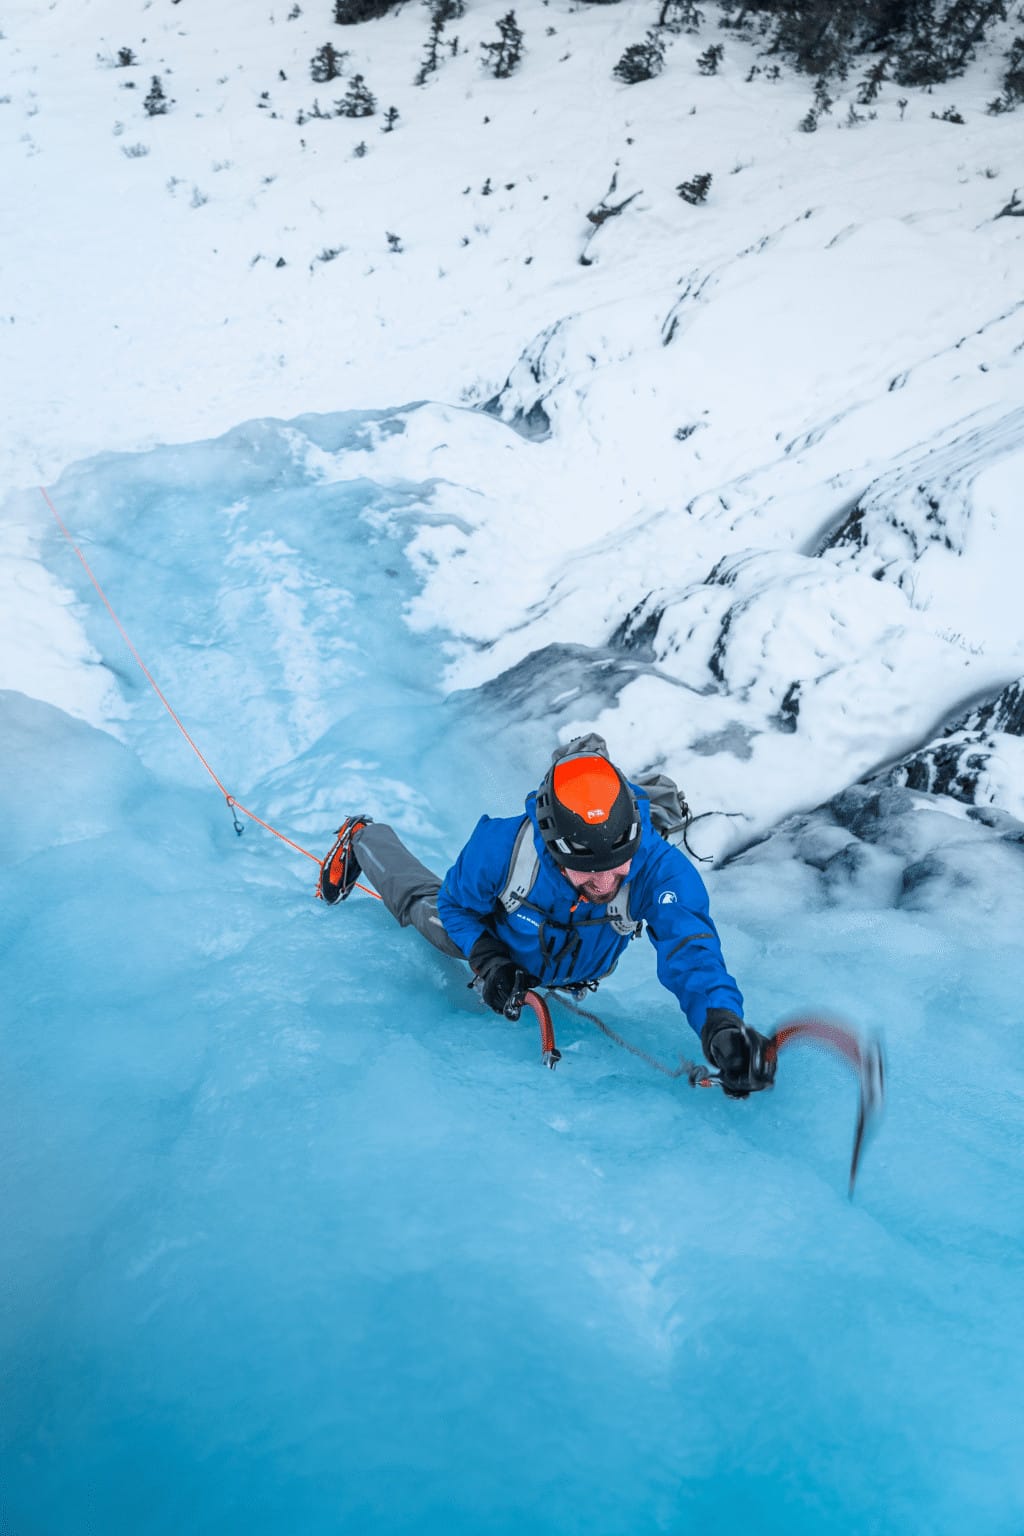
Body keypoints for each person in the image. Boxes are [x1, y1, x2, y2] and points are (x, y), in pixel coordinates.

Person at [317, 736, 775, 1098]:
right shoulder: (502, 848)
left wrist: (721, 1024)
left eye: (618, 868)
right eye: (588, 873)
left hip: (567, 961)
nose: (605, 885)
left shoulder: (660, 870)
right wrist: (488, 958)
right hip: (503, 936)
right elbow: (457, 906)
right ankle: (366, 837)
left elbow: (690, 950)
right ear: (555, 851)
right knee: (432, 914)